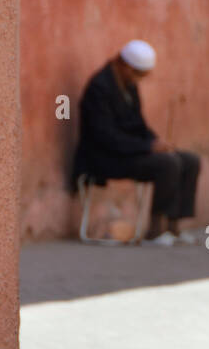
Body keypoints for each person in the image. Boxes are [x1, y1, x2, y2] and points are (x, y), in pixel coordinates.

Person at [72, 40, 201, 244]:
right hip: (104, 158)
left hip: (130, 152)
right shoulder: (99, 88)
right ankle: (156, 231)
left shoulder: (128, 86)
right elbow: (105, 136)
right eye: (138, 74)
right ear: (124, 65)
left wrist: (156, 142)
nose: (139, 80)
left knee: (189, 160)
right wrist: (147, 147)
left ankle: (174, 227)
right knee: (168, 164)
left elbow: (138, 125)